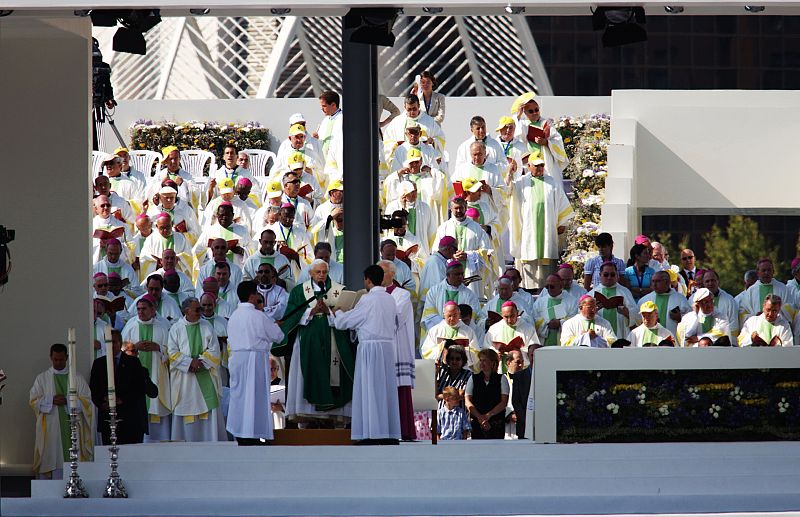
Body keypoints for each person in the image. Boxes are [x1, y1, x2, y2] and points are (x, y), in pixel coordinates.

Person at [277, 259, 355, 425]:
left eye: (324, 272)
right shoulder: (299, 291)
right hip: (307, 340)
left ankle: (334, 418)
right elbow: (290, 317)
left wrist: (328, 312)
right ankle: (306, 417)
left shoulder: (339, 291)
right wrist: (311, 311)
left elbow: (347, 318)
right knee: (306, 374)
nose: (321, 275)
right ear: (310, 273)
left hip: (333, 341)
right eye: (318, 272)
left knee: (335, 375)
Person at [331, 265, 401, 443]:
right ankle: (388, 432)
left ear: (368, 280)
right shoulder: (390, 299)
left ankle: (371, 433)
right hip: (386, 348)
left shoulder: (367, 300)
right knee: (384, 390)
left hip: (370, 349)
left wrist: (337, 313)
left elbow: (346, 322)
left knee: (370, 389)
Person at [226, 281, 285, 445]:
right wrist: (274, 325)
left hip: (237, 359)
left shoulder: (234, 316)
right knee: (255, 396)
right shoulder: (258, 315)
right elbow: (277, 336)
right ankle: (252, 434)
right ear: (252, 296)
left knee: (240, 396)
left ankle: (240, 432)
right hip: (254, 359)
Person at [508, 154, 573, 290]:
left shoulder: (552, 182)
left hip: (547, 230)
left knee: (547, 259)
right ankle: (528, 289)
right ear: (529, 166)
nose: (539, 168)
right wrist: (510, 173)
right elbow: (508, 191)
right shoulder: (521, 183)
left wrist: (562, 223)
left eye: (542, 165)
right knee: (529, 253)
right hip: (528, 230)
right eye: (536, 165)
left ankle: (549, 287)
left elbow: (562, 202)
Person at [30, 344, 93, 479]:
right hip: (51, 428)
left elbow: (87, 401)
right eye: (55, 359)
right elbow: (33, 401)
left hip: (73, 427)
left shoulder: (77, 378)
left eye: (61, 359)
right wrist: (50, 400)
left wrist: (67, 401)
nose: (58, 362)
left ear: (67, 358)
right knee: (51, 456)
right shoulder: (42, 378)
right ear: (51, 358)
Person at [168, 298, 226, 441]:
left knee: (208, 409)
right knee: (186, 406)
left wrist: (199, 362)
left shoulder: (207, 326)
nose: (201, 312)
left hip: (204, 373)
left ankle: (210, 440)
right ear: (186, 311)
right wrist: (189, 363)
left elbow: (214, 350)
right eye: (197, 309)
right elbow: (172, 352)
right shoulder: (176, 328)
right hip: (185, 379)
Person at [90, 330, 158, 445]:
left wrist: (122, 400)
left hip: (130, 420)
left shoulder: (133, 362)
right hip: (108, 419)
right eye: (108, 342)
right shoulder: (98, 364)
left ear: (120, 343)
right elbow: (93, 389)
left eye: (114, 342)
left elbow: (139, 389)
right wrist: (103, 402)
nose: (111, 345)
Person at [121, 294, 172, 441]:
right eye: (138, 309)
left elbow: (173, 351)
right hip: (135, 376)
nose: (140, 312)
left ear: (153, 309)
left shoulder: (163, 327)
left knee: (156, 405)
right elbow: (121, 350)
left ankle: (159, 440)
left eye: (144, 309)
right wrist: (134, 347)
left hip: (157, 374)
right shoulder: (131, 325)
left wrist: (158, 347)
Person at [379, 260, 416, 441]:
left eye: (383, 272)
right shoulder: (372, 294)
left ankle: (402, 430)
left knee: (399, 391)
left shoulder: (402, 294)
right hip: (379, 346)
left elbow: (396, 317)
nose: (380, 275)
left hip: (396, 347)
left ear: (392, 274)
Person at [434, 196, 493, 297]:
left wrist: (469, 256)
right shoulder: (444, 227)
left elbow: (487, 252)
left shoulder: (476, 228)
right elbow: (436, 251)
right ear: (451, 209)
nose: (458, 210)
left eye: (461, 207)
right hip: (449, 271)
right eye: (456, 208)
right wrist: (451, 256)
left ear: (465, 207)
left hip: (471, 272)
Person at [511, 92, 568, 182]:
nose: (534, 113)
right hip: (530, 163)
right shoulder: (522, 124)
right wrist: (518, 115)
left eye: (536, 110)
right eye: (530, 111)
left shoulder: (546, 123)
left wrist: (546, 142)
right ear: (525, 113)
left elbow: (557, 140)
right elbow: (514, 136)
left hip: (546, 162)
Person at [421, 261, 484, 337]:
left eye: (462, 274)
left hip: (462, 333)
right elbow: (429, 315)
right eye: (457, 274)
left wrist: (458, 324)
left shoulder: (470, 294)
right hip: (439, 333)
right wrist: (446, 325)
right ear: (448, 275)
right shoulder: (434, 291)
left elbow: (474, 315)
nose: (461, 277)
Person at [421, 302, 480, 370]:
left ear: (459, 314)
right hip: (441, 369)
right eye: (449, 316)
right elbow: (426, 351)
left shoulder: (468, 331)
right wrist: (441, 350)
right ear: (444, 314)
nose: (452, 318)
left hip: (463, 369)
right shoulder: (435, 331)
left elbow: (475, 352)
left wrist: (461, 352)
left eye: (455, 315)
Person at [465, 349, 508, 439]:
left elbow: (503, 402)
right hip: (477, 422)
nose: (482, 363)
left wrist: (488, 416)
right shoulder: (473, 378)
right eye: (481, 360)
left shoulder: (502, 379)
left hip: (496, 423)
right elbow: (467, 401)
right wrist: (480, 418)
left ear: (493, 363)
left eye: (485, 360)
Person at [587, 262, 639, 338]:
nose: (609, 277)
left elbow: (636, 313)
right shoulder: (591, 294)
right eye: (606, 275)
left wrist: (627, 312)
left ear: (617, 276)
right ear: (600, 275)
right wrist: (592, 312)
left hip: (620, 331)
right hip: (599, 333)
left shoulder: (625, 292)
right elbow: (582, 314)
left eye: (612, 274)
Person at [485, 301, 539, 371]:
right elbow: (486, 348)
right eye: (506, 317)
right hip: (500, 370)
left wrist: (518, 352)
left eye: (512, 316)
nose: (509, 320)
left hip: (522, 369)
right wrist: (495, 354)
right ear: (501, 315)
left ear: (517, 313)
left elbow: (534, 351)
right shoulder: (494, 329)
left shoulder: (528, 328)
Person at [740, 258, 797, 323]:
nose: (766, 273)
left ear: (773, 272)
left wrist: (775, 314)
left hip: (778, 327)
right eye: (764, 270)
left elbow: (791, 310)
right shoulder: (750, 291)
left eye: (769, 270)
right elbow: (743, 313)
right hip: (757, 328)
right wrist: (755, 316)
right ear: (758, 272)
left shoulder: (783, 288)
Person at [638, 270, 691, 338]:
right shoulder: (645, 300)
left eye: (657, 281)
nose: (654, 284)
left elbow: (690, 320)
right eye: (653, 281)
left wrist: (680, 318)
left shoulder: (680, 299)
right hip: (649, 339)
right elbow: (638, 321)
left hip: (672, 339)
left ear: (667, 282)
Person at [689, 269, 739, 337]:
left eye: (713, 280)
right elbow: (690, 322)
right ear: (703, 283)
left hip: (721, 343)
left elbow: (733, 325)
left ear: (718, 281)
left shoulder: (729, 300)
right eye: (707, 281)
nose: (710, 283)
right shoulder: (693, 299)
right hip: (698, 344)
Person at [533, 274, 579, 346]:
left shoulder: (572, 301)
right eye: (547, 287)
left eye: (552, 286)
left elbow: (575, 319)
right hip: (544, 340)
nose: (549, 289)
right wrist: (547, 323)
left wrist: (560, 323)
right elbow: (534, 319)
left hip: (563, 341)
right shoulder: (540, 302)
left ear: (561, 286)